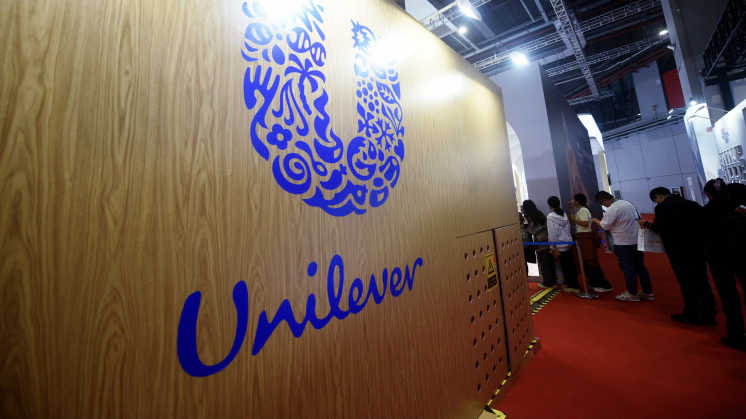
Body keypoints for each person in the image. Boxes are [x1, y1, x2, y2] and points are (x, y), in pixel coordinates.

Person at [639, 187, 716, 324]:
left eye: (655, 200)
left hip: (678, 249)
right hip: (697, 247)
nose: (656, 203)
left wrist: (645, 224)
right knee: (701, 279)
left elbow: (658, 227)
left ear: (658, 196)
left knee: (686, 282)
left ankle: (691, 312)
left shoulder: (663, 207)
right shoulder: (692, 204)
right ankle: (709, 310)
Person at [702, 179, 746, 352]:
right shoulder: (740, 207)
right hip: (742, 253)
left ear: (708, 194)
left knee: (729, 297)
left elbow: (702, 236)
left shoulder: (706, 211)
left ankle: (736, 335)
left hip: (719, 258)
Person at [592, 191, 654, 302]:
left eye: (602, 203)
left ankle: (632, 293)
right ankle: (647, 292)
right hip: (636, 240)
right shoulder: (628, 203)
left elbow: (605, 226)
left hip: (623, 242)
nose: (603, 205)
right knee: (640, 267)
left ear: (605, 200)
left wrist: (595, 220)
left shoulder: (612, 208)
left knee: (628, 268)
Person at [567, 194, 613, 293]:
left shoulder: (583, 210)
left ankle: (604, 285)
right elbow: (572, 219)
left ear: (577, 201)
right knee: (587, 263)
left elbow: (584, 223)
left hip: (585, 238)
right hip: (582, 238)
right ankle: (593, 282)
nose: (572, 201)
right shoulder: (581, 210)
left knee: (590, 262)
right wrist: (569, 208)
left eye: (574, 200)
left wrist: (574, 219)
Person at [547, 196, 580, 293]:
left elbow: (552, 233)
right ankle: (572, 284)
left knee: (565, 266)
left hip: (560, 244)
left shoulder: (551, 217)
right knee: (570, 265)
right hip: (568, 242)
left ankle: (572, 286)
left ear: (549, 206)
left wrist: (551, 246)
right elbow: (568, 228)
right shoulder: (563, 214)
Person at [522, 200, 556, 289]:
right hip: (547, 241)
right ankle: (553, 282)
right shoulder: (539, 214)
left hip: (540, 244)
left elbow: (531, 231)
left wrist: (526, 225)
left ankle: (547, 283)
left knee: (544, 264)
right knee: (550, 263)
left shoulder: (532, 218)